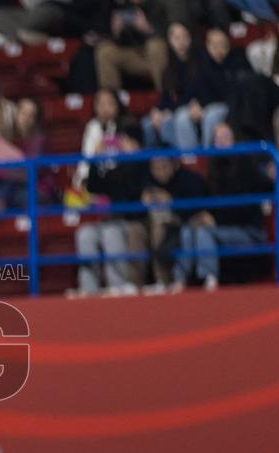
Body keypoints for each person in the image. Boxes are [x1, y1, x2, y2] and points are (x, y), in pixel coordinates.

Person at [172, 122, 272, 291]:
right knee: (188, 230)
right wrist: (201, 216)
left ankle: (210, 279)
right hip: (220, 226)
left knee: (204, 233)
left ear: (235, 140)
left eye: (226, 137)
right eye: (217, 139)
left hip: (248, 230)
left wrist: (214, 219)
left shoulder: (246, 167)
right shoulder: (212, 170)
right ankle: (180, 280)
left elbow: (245, 211)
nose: (222, 143)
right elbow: (206, 202)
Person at [74, 119, 150, 296]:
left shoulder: (143, 166)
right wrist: (95, 160)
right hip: (110, 220)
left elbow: (131, 189)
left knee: (111, 233)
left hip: (131, 220)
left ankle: (118, 287)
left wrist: (130, 158)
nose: (122, 145)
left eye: (127, 141)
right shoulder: (116, 168)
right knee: (84, 234)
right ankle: (89, 289)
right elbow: (94, 187)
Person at [142, 22, 221, 149]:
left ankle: (190, 158)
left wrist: (170, 110)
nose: (181, 42)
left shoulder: (201, 61)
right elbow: (166, 96)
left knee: (179, 118)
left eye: (185, 37)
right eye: (176, 38)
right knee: (147, 123)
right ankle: (154, 163)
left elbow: (198, 93)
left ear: (191, 38)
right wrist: (157, 110)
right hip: (179, 107)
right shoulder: (169, 69)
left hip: (200, 105)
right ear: (170, 41)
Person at [139, 151, 209, 290]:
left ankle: (173, 280)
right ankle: (159, 282)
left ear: (174, 165)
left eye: (164, 167)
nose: (160, 172)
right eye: (156, 168)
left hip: (184, 223)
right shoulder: (146, 183)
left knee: (181, 232)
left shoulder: (190, 180)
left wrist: (171, 202)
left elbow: (197, 212)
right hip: (153, 224)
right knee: (149, 228)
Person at [93, 0, 170, 92]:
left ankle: (166, 97)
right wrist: (115, 32)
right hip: (132, 55)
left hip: (156, 55)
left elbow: (171, 32)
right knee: (105, 51)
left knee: (155, 46)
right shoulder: (120, 6)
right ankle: (112, 100)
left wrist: (148, 28)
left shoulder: (157, 5)